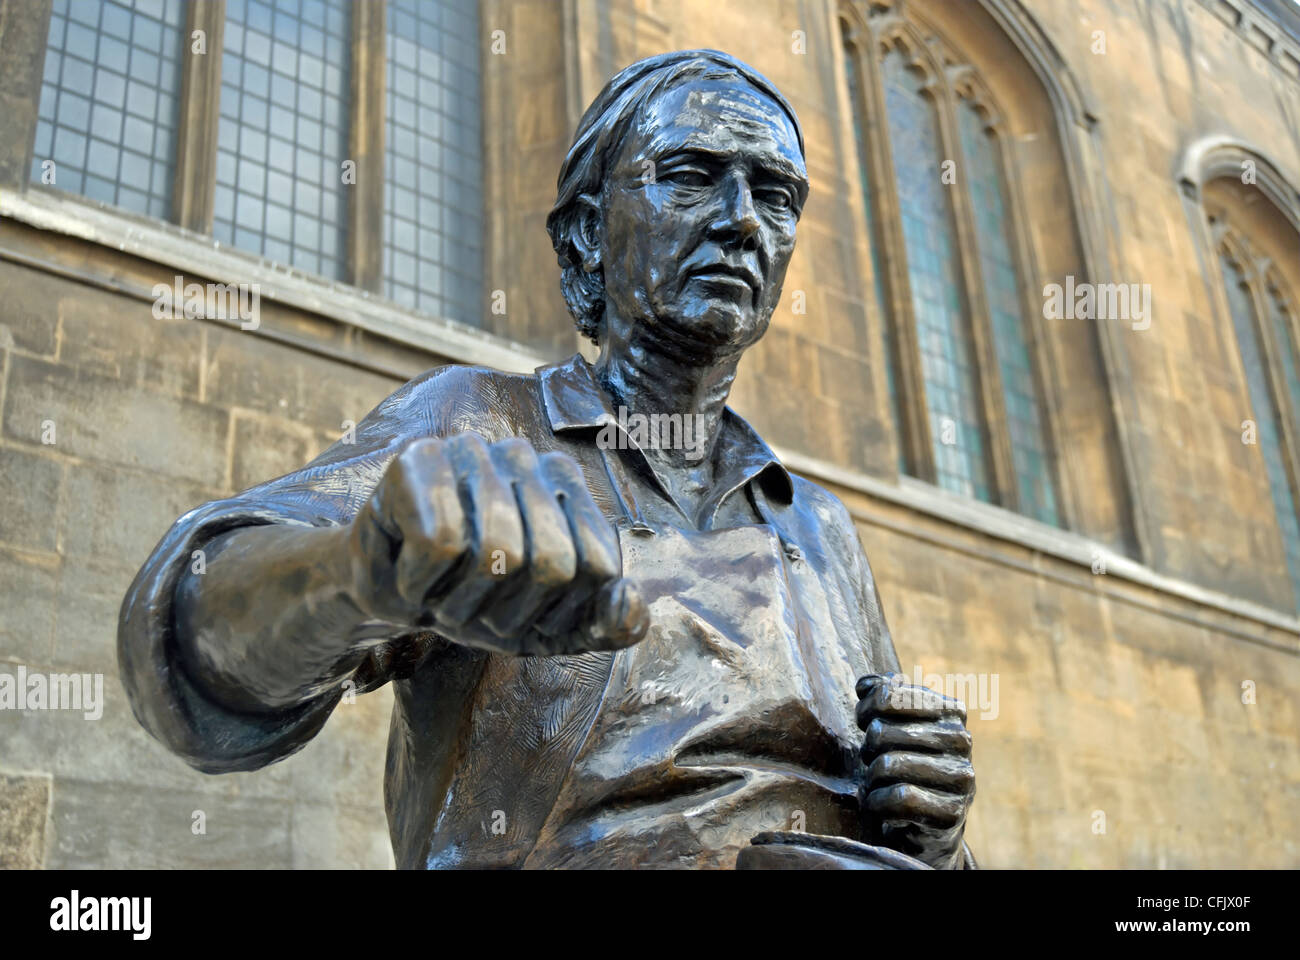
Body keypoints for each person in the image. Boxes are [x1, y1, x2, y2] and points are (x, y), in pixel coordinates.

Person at [119, 49, 976, 869]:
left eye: (776, 194)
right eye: (688, 177)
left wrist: (934, 836)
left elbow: (895, 828)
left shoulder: (817, 525)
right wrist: (360, 572)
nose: (741, 220)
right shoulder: (479, 421)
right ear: (584, 240)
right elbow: (191, 646)